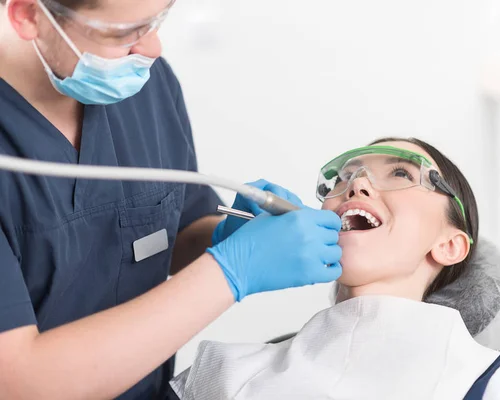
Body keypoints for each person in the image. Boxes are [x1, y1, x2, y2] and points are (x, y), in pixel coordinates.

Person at [0, 1, 343, 399]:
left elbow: (173, 227)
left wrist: (225, 238)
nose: (153, 48)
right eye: (124, 32)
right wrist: (232, 271)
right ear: (28, 15)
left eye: (157, 20)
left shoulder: (143, 84)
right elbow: (19, 380)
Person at [170, 138, 500, 400]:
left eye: (401, 173)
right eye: (342, 178)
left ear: (450, 245)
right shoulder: (220, 373)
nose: (355, 186)